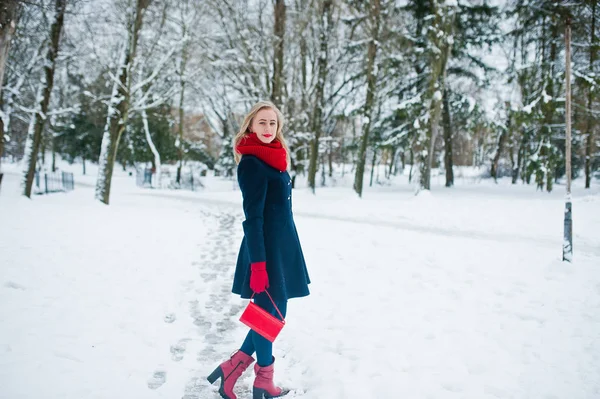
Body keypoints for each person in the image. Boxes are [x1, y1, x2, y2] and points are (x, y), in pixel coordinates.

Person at [207, 101, 311, 399]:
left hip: (284, 247)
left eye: (273, 123)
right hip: (265, 250)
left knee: (270, 314)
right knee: (271, 314)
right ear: (251, 125)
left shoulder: (275, 159)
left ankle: (234, 367)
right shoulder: (252, 163)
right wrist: (258, 265)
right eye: (262, 123)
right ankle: (263, 379)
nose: (268, 129)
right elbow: (252, 218)